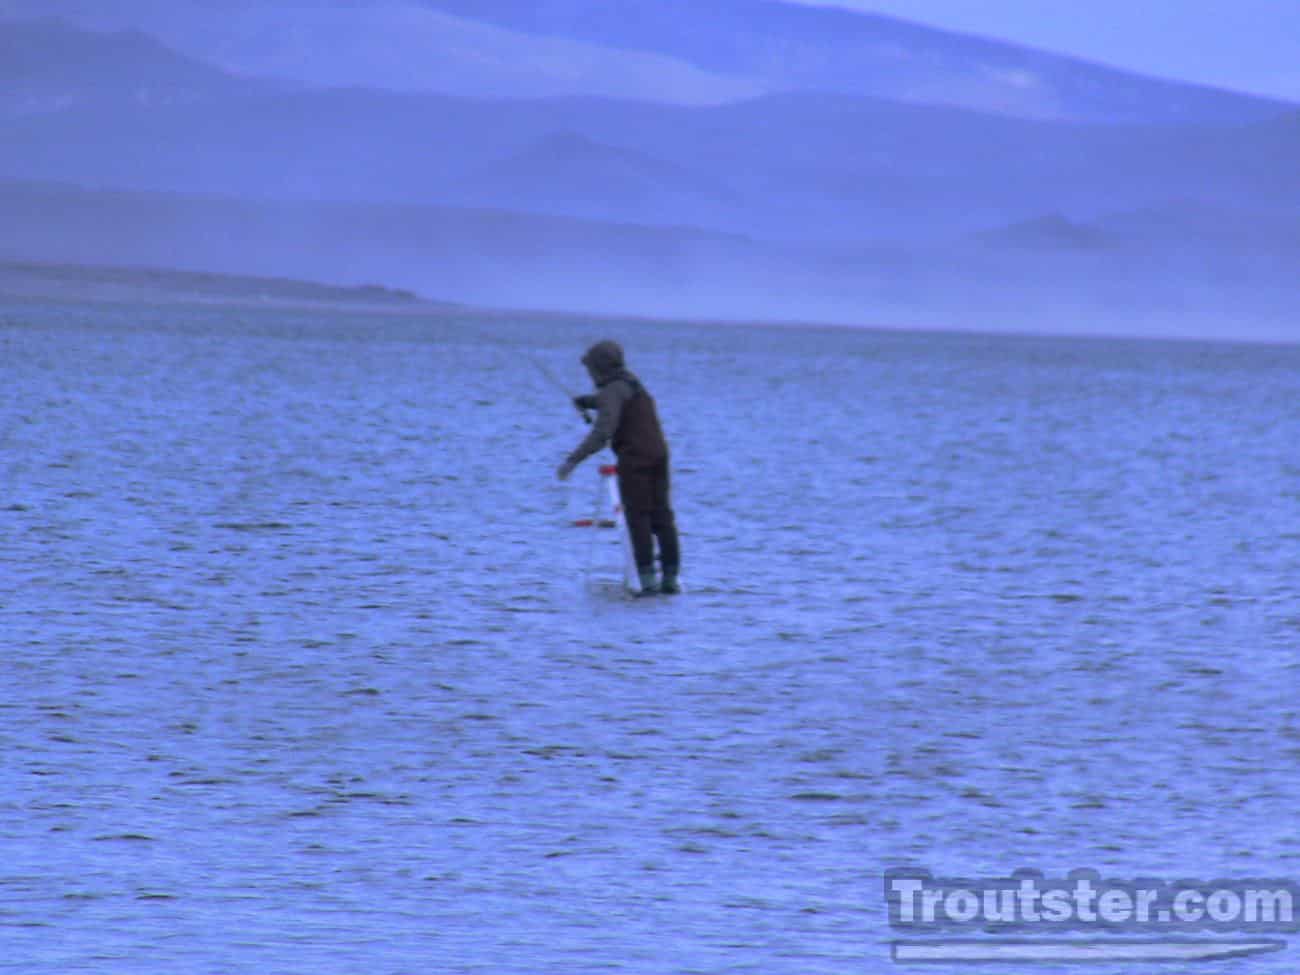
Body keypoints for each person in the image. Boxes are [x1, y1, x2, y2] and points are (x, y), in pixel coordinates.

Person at [556, 340, 681, 595]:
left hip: (635, 458)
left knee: (639, 518)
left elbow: (602, 432)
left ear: (600, 368)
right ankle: (670, 578)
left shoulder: (613, 390)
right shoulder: (631, 383)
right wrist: (590, 402)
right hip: (659, 454)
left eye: (590, 369)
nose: (589, 375)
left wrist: (573, 460)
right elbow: (614, 401)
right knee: (662, 517)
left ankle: (647, 581)